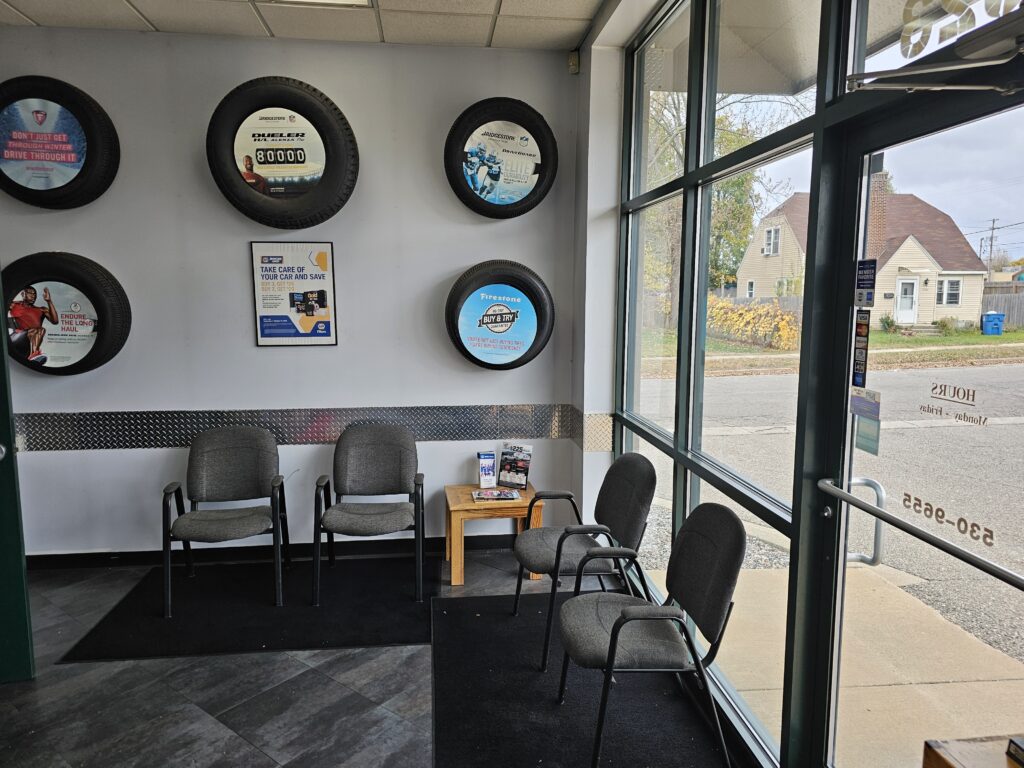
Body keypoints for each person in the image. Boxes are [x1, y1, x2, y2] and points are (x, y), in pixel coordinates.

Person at [8, 285, 58, 363]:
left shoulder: (42, 309)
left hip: (31, 340)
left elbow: (55, 321)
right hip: (16, 337)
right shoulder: (14, 305)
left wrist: (49, 301)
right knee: (37, 330)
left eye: (34, 294)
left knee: (40, 330)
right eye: (30, 293)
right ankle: (34, 355)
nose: (33, 296)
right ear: (23, 294)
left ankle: (34, 356)